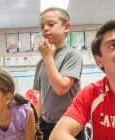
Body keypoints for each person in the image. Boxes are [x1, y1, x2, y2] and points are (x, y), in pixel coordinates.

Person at [34, 7, 85, 140]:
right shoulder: (41, 62)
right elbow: (41, 96)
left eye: (51, 24)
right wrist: (38, 120)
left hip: (69, 122)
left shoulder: (72, 55)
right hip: (45, 123)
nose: (45, 28)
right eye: (42, 26)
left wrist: (48, 58)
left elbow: (61, 88)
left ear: (66, 27)